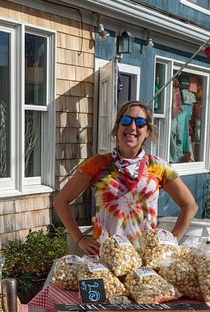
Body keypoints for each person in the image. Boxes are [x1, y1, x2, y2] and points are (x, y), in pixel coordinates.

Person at [53, 100, 198, 254]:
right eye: (126, 120)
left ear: (147, 132)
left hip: (145, 260)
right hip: (105, 258)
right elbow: (60, 201)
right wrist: (79, 239)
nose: (133, 127)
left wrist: (170, 243)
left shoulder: (159, 167)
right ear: (117, 128)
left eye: (140, 123)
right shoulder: (97, 164)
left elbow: (190, 206)